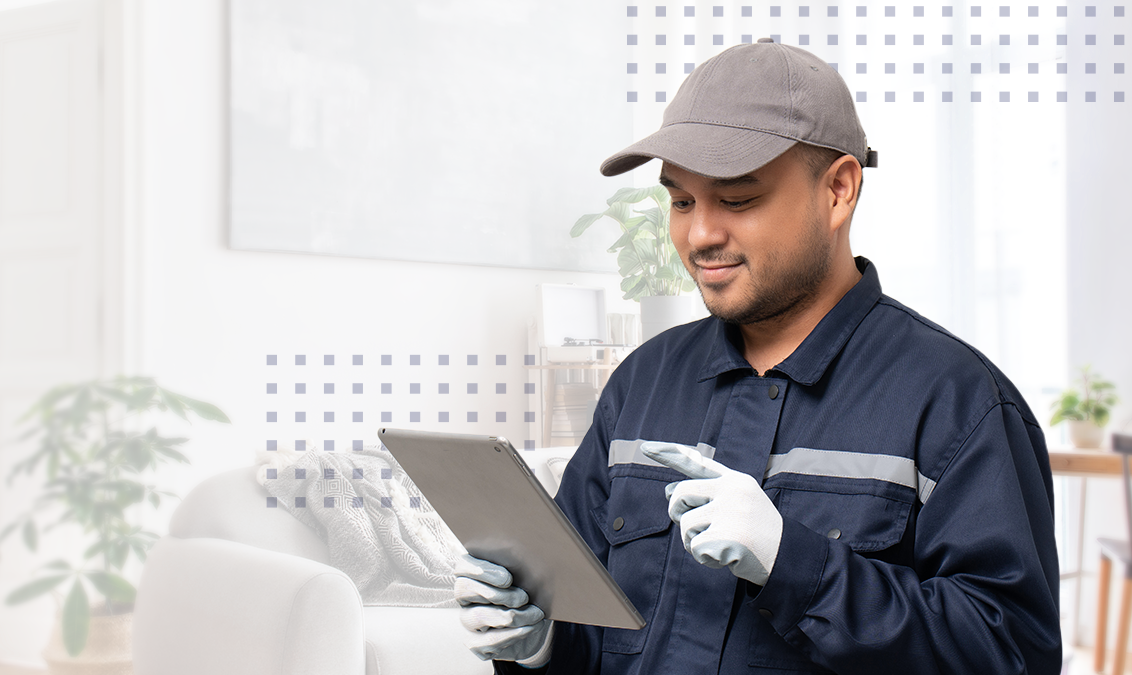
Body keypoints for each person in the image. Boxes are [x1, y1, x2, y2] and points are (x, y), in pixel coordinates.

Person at [453, 39, 1061, 674]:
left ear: (839, 191)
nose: (699, 235)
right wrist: (538, 642)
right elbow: (590, 627)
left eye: (737, 200)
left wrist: (793, 563)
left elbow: (1012, 652)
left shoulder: (957, 402)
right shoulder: (642, 383)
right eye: (681, 201)